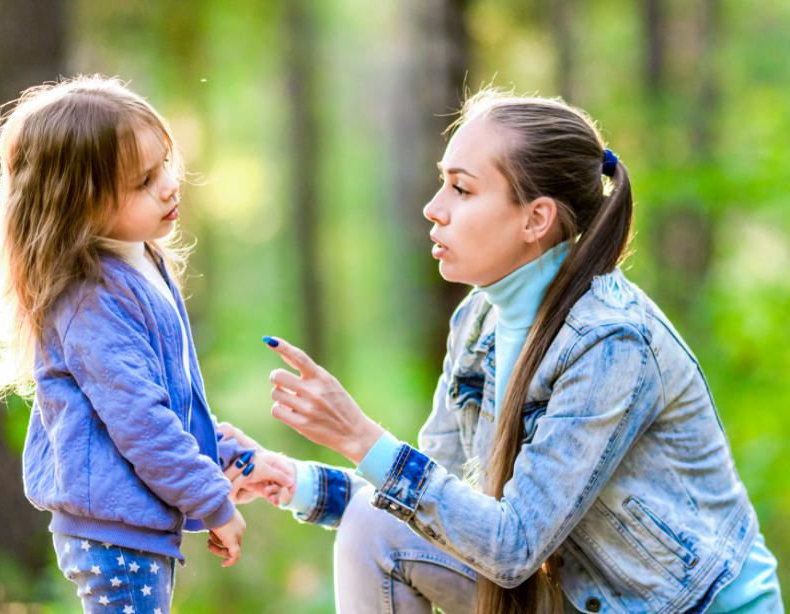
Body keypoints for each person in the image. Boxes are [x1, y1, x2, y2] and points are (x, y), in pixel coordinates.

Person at [221, 89, 783, 613]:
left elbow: (512, 546)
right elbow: (439, 507)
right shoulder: (477, 321)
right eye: (443, 184)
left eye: (461, 189)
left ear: (535, 218)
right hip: (574, 594)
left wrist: (358, 436)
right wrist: (299, 482)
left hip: (686, 607)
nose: (433, 208)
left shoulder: (611, 344)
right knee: (372, 526)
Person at [0, 75, 291, 613]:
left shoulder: (141, 262)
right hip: (113, 537)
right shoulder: (91, 299)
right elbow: (141, 422)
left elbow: (167, 405)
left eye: (165, 164)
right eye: (143, 181)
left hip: (129, 527)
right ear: (78, 204)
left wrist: (227, 456)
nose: (168, 185)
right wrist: (214, 504)